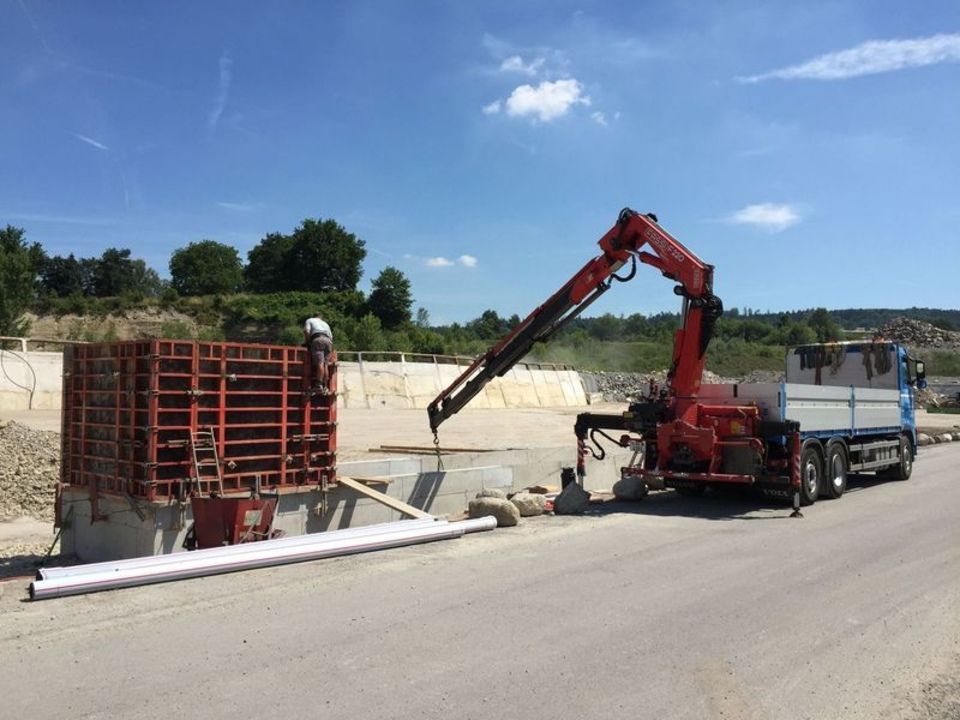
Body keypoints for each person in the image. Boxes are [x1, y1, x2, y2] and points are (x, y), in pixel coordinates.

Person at [303, 314, 334, 393]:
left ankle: (318, 385)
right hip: (328, 342)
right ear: (321, 317)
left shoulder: (310, 320)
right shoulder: (325, 324)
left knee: (320, 362)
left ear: (314, 316)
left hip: (318, 339)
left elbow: (306, 331)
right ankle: (325, 386)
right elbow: (331, 337)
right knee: (325, 364)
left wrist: (307, 342)